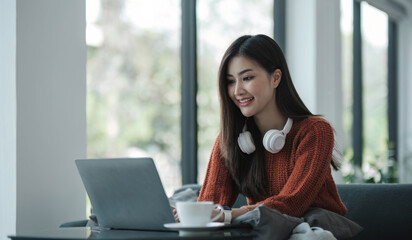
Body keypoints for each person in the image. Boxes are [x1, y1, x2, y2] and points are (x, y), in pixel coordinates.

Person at [197, 34, 347, 224]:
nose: (237, 91)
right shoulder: (230, 138)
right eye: (231, 81)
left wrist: (231, 214)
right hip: (267, 230)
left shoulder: (315, 131)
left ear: (275, 78)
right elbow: (210, 204)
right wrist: (189, 214)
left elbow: (291, 204)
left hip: (317, 229)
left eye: (247, 78)